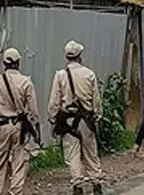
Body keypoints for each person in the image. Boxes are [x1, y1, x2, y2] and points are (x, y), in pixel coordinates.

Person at [48, 40, 103, 195]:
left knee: (72, 154)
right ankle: (96, 182)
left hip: (68, 120)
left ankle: (77, 185)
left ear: (67, 56)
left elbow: (54, 101)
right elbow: (96, 100)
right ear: (80, 56)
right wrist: (97, 116)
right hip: (86, 119)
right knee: (91, 152)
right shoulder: (89, 74)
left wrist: (53, 118)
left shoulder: (60, 75)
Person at [0, 48, 40, 195]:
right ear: (18, 63)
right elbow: (34, 111)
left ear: (4, 63)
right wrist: (34, 127)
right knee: (19, 162)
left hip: (2, 126)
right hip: (19, 127)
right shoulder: (26, 82)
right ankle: (15, 192)